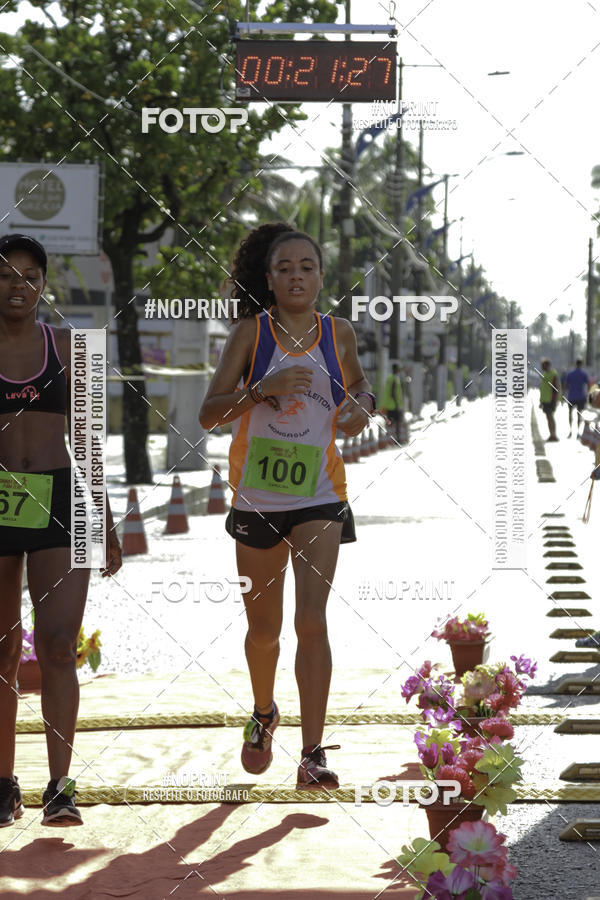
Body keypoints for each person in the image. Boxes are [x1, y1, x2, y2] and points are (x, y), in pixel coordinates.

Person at [199, 223, 373, 790]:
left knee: (311, 620)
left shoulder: (337, 332)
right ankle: (264, 710)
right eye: (285, 269)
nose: (297, 276)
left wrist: (360, 408)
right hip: (257, 497)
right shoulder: (252, 334)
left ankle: (314, 752)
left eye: (307, 266)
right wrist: (260, 390)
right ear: (269, 281)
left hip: (321, 494)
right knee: (264, 630)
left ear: (321, 276)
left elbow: (361, 388)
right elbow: (209, 414)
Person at [0, 234, 122, 828]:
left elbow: (92, 445)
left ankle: (60, 786)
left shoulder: (76, 347)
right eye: (4, 276)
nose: (16, 286)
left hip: (61, 502)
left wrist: (107, 522)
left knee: (56, 645)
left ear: (43, 284)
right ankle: (3, 784)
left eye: (28, 276)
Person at [565, 359, 590, 437]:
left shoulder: (570, 374)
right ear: (581, 364)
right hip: (580, 397)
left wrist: (563, 394)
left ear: (575, 364)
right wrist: (588, 395)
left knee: (570, 414)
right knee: (579, 414)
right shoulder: (583, 374)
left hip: (571, 396)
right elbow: (588, 384)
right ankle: (578, 432)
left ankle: (570, 431)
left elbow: (566, 385)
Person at [382, 362, 405, 443]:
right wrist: (397, 404)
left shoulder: (389, 377)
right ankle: (397, 440)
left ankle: (389, 440)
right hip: (394, 405)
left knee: (390, 423)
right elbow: (393, 392)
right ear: (396, 369)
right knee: (398, 423)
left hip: (389, 405)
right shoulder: (395, 379)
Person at [539, 357, 560, 441]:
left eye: (543, 365)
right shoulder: (545, 374)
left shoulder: (553, 374)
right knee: (548, 417)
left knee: (550, 417)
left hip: (550, 400)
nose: (542, 367)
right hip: (545, 400)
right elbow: (543, 389)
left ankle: (553, 435)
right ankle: (551, 434)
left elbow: (557, 387)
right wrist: (541, 401)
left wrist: (556, 400)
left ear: (547, 365)